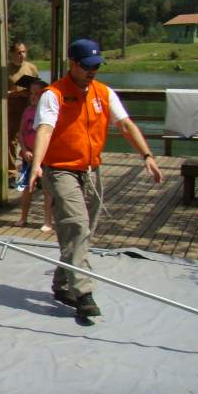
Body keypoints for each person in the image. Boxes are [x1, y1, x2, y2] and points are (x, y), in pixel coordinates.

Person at [28, 39, 163, 321]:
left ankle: (62, 283)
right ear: (73, 65)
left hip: (90, 170)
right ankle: (84, 293)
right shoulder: (54, 95)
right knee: (76, 226)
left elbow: (125, 124)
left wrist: (147, 155)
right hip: (61, 170)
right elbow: (44, 129)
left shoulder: (103, 93)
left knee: (83, 230)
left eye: (97, 66)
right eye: (88, 66)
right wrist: (36, 166)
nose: (93, 71)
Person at [15, 79, 53, 231]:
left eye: (37, 94)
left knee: (47, 188)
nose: (33, 97)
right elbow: (21, 133)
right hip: (28, 154)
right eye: (31, 93)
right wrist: (24, 150)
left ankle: (48, 220)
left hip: (45, 155)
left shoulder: (48, 113)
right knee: (25, 187)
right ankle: (23, 216)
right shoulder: (27, 111)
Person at [7, 42, 39, 184]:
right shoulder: (5, 70)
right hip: (12, 110)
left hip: (29, 110)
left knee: (34, 140)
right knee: (10, 143)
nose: (22, 55)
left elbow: (39, 87)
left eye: (24, 52)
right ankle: (11, 174)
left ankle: (35, 171)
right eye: (19, 52)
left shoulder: (31, 68)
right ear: (12, 53)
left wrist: (31, 92)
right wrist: (15, 94)